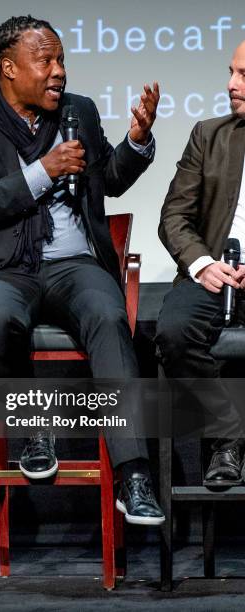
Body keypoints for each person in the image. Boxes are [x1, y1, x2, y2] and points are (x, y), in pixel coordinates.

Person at [0, 15, 164, 524]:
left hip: (72, 264)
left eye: (62, 60)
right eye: (46, 60)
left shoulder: (78, 111)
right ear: (8, 67)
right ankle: (37, 427)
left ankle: (135, 475)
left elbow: (110, 181)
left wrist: (138, 141)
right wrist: (43, 172)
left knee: (108, 315)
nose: (59, 71)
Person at [156, 41, 245, 487]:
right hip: (214, 273)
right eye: (231, 72)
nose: (231, 84)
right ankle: (228, 435)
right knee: (174, 333)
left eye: (244, 75)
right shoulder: (210, 135)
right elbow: (174, 216)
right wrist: (203, 262)